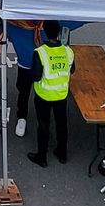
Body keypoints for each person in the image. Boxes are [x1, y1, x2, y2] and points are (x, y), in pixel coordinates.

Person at [26, 21, 74, 169]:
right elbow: (72, 70)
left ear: (44, 32)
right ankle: (62, 153)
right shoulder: (68, 52)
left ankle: (42, 157)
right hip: (61, 94)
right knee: (62, 124)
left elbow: (35, 76)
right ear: (59, 32)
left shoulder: (40, 52)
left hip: (44, 95)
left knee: (44, 125)